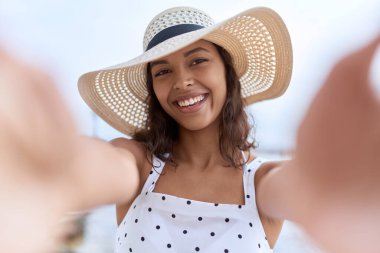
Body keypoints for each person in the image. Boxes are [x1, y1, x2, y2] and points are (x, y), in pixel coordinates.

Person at [0, 5, 379, 253]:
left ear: (227, 74)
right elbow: (84, 168)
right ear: (154, 90)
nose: (182, 81)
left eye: (197, 61)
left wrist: (343, 195)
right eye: (163, 71)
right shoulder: (138, 165)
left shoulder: (262, 184)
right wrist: (45, 171)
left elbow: (307, 187)